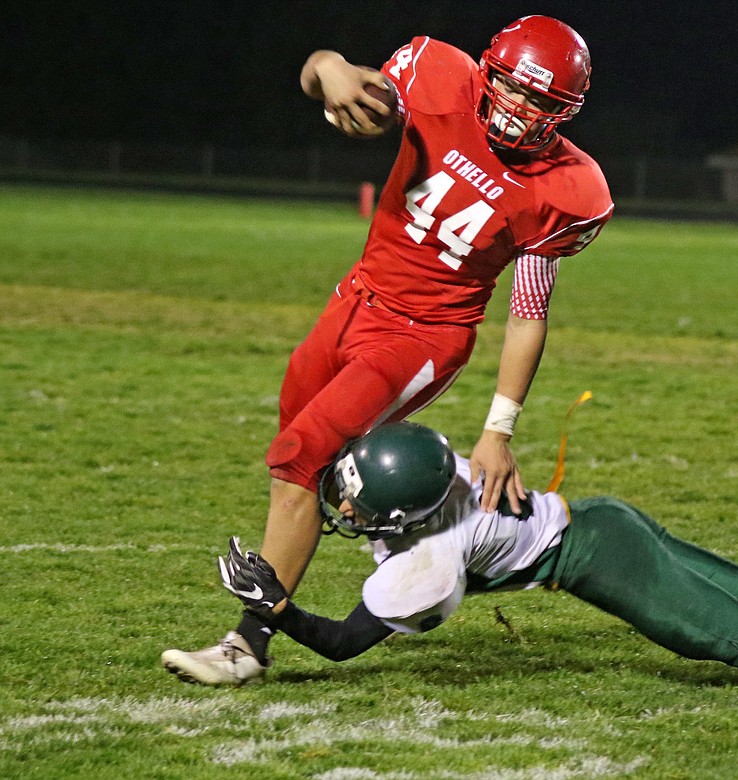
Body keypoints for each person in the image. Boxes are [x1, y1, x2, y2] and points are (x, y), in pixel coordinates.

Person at [161, 17, 613, 684]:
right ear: (488, 74)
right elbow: (328, 76)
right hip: (354, 298)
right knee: (300, 461)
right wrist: (329, 64)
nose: (520, 109)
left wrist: (500, 428)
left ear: (564, 112)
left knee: (300, 456)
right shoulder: (437, 74)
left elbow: (528, 314)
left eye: (540, 102)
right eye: (513, 90)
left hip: (422, 335)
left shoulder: (567, 189)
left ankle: (248, 644)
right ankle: (423, 548)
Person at [165, 421, 738, 699]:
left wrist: (276, 609)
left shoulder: (423, 562)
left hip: (594, 557)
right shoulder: (436, 467)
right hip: (603, 518)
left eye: (356, 504)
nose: (343, 510)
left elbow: (349, 641)